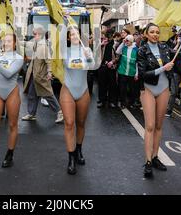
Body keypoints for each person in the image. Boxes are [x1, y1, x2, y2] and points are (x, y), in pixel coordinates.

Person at [137, 23, 181, 178]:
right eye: (152, 32)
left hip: (163, 89)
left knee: (159, 126)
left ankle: (155, 157)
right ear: (146, 34)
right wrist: (163, 68)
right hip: (148, 89)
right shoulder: (142, 50)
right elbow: (143, 74)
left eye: (157, 32)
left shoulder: (165, 48)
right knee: (150, 126)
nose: (155, 34)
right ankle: (147, 162)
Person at [60, 25, 96, 175]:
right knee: (69, 124)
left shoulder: (86, 50)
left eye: (77, 34)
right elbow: (69, 64)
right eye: (72, 34)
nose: (75, 36)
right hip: (68, 90)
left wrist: (89, 56)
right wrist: (64, 22)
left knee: (80, 123)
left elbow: (93, 66)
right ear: (68, 37)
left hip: (83, 91)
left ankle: (79, 150)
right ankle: (71, 158)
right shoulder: (65, 51)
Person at [0, 32, 24, 172]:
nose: (6, 43)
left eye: (9, 41)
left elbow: (8, 74)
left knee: (12, 125)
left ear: (14, 43)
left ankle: (9, 154)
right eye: (4, 41)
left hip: (11, 92)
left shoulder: (19, 58)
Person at [22, 25, 64, 123]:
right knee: (32, 94)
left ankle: (60, 112)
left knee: (48, 94)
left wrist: (49, 72)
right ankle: (31, 114)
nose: (33, 35)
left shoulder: (44, 46)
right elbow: (26, 44)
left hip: (41, 75)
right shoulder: (36, 43)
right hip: (34, 75)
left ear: (39, 34)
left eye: (34, 34)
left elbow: (48, 60)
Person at [116, 35, 138, 110]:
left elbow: (137, 63)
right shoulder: (124, 47)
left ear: (132, 41)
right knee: (122, 89)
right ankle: (123, 103)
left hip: (132, 73)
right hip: (122, 72)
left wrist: (136, 73)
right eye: (126, 40)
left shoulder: (136, 49)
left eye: (128, 41)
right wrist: (122, 43)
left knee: (132, 89)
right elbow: (117, 52)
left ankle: (131, 103)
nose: (126, 42)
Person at [97, 31, 118, 108]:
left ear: (112, 36)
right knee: (102, 84)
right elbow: (95, 52)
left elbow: (119, 55)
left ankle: (111, 101)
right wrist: (101, 45)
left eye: (108, 36)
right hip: (102, 66)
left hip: (111, 67)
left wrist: (112, 62)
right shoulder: (102, 43)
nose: (107, 38)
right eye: (105, 36)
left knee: (112, 85)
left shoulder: (115, 44)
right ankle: (102, 101)